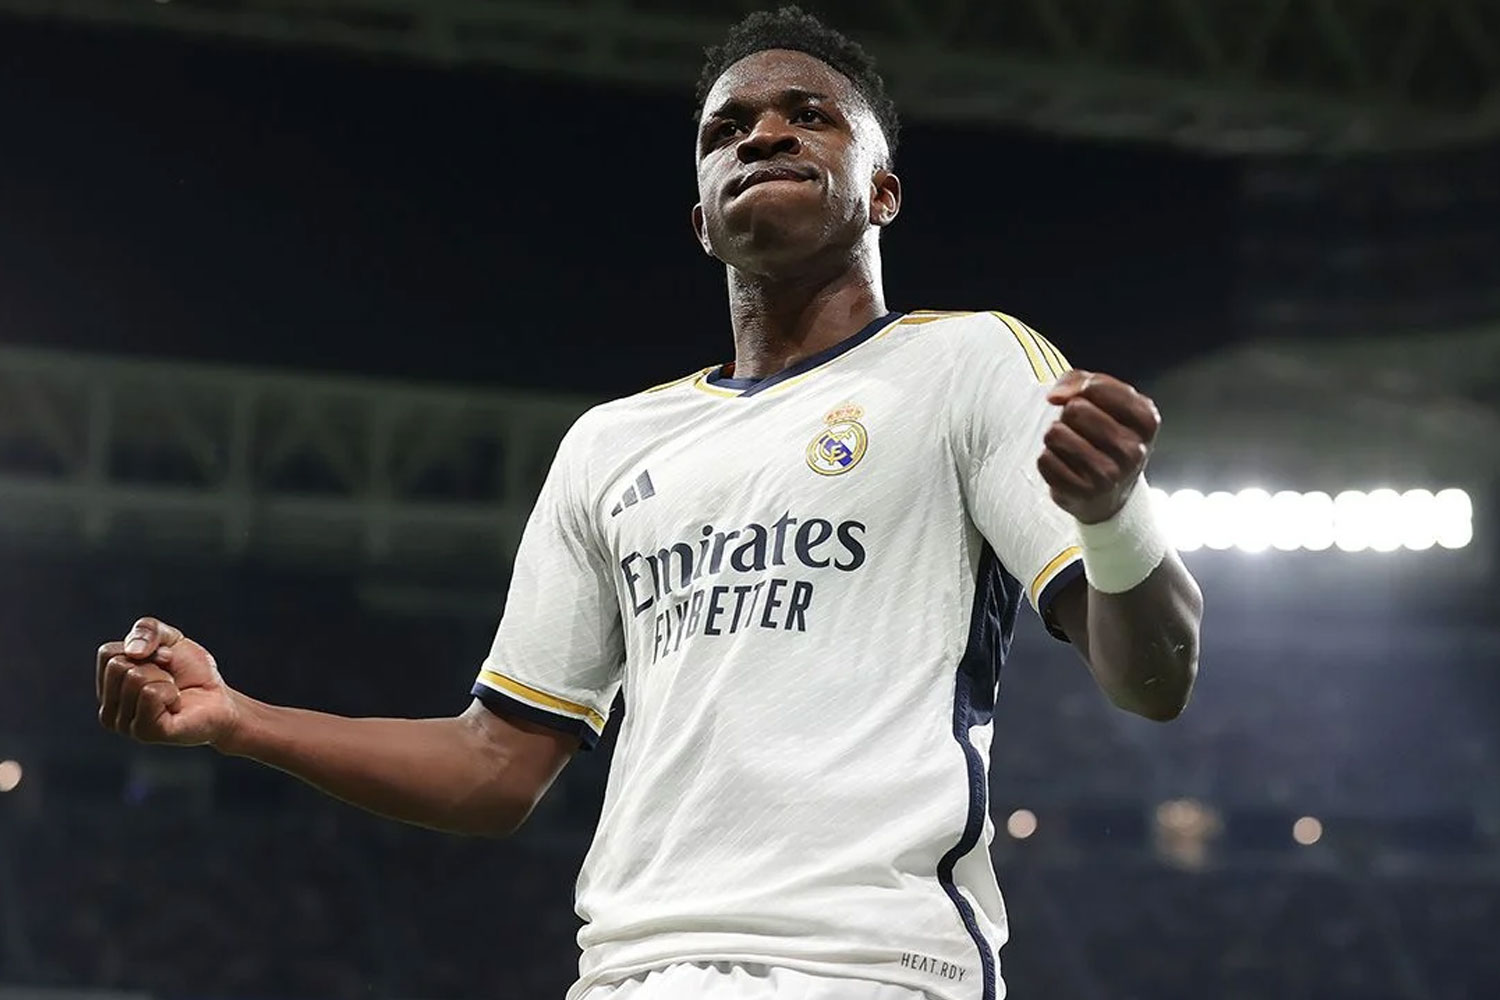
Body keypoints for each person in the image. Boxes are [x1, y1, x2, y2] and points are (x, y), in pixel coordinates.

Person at [94, 7, 1203, 999]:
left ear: (883, 190)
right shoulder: (610, 446)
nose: (762, 134)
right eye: (728, 129)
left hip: (868, 963)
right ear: (701, 220)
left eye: (808, 115)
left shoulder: (968, 364)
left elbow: (1153, 678)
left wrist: (1110, 516)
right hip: (626, 970)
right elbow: (493, 767)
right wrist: (240, 719)